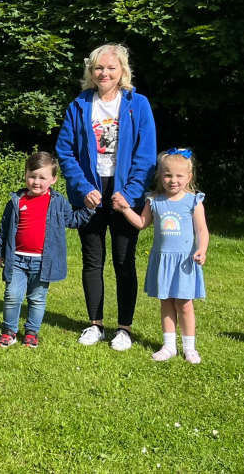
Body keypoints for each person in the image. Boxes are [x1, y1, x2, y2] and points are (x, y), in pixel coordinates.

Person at [55, 43, 156, 351]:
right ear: (91, 71)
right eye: (99, 67)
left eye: (111, 67)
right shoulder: (79, 105)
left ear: (122, 71)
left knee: (124, 262)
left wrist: (130, 193)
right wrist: (84, 188)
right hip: (90, 194)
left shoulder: (137, 104)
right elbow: (65, 151)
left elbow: (146, 154)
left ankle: (124, 329)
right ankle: (95, 324)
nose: (104, 73)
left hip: (125, 193)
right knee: (92, 260)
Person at [115, 149, 208, 363]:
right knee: (166, 302)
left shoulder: (194, 201)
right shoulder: (154, 200)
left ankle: (189, 348)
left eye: (178, 176)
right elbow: (141, 223)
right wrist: (125, 208)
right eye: (167, 175)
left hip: (184, 261)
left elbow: (202, 230)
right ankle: (168, 346)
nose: (172, 180)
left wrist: (201, 249)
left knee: (184, 304)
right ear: (160, 176)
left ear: (189, 178)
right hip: (163, 261)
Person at [0, 152, 94, 348]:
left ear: (53, 180)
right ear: (25, 175)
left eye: (42, 177)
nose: (36, 181)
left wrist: (88, 209)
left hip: (43, 261)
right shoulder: (16, 201)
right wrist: (0, 251)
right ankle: (9, 331)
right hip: (17, 259)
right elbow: (5, 227)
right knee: (12, 296)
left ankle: (31, 332)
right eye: (32, 176)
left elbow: (72, 220)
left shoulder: (57, 201)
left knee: (37, 298)